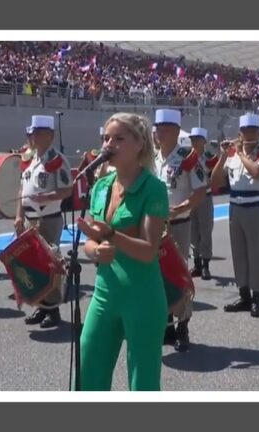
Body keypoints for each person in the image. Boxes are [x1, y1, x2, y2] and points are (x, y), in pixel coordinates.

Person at [76, 112, 169, 391]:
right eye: (105, 138)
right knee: (87, 369)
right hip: (105, 294)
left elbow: (149, 251)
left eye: (118, 138)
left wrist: (111, 236)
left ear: (139, 143)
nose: (108, 145)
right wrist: (94, 250)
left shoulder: (154, 189)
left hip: (142, 297)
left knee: (143, 383)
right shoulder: (101, 187)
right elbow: (90, 241)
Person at [153, 109, 207, 352]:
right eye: (157, 128)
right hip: (154, 227)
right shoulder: (151, 158)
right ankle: (165, 326)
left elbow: (199, 193)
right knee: (157, 276)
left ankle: (182, 325)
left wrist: (177, 210)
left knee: (178, 275)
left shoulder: (188, 157)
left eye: (164, 128)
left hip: (178, 226)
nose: (158, 132)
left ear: (175, 131)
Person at [210, 113, 259, 318]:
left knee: (255, 254)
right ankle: (244, 294)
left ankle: (257, 298)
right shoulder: (232, 156)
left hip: (254, 207)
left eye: (251, 131)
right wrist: (223, 156)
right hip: (235, 207)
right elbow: (215, 182)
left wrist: (241, 153)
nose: (247, 134)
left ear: (258, 133)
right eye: (244, 131)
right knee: (238, 253)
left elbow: (258, 173)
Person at [15, 115, 73, 329]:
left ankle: (53, 309)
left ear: (50, 135)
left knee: (50, 265)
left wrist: (47, 197)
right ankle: (42, 306)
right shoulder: (30, 160)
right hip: (30, 219)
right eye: (33, 133)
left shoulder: (57, 160)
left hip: (48, 218)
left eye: (39, 133)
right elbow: (22, 190)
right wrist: (18, 215)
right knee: (35, 266)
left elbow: (68, 189)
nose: (34, 137)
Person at [187, 127, 214, 281]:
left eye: (197, 139)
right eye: (192, 139)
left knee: (205, 231)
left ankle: (205, 264)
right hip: (190, 197)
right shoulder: (187, 157)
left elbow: (217, 176)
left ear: (204, 141)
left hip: (205, 197)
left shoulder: (210, 158)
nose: (194, 142)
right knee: (192, 232)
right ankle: (196, 263)